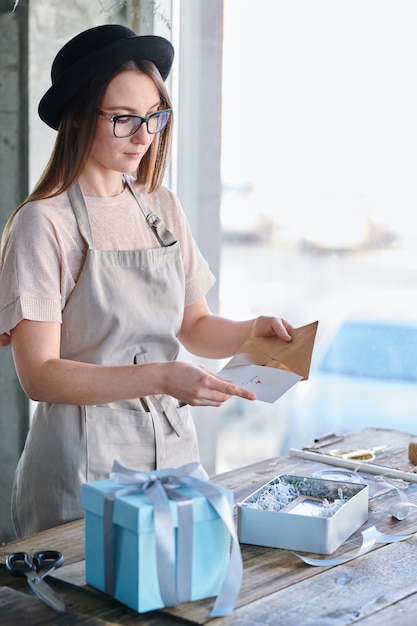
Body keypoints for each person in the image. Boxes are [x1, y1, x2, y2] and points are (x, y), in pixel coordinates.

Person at [0, 24, 294, 538]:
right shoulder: (42, 224)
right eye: (123, 120)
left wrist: (252, 331)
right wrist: (162, 377)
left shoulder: (162, 206)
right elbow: (40, 375)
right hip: (80, 470)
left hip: (173, 458)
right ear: (76, 118)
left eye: (154, 118)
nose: (143, 137)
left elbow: (194, 324)